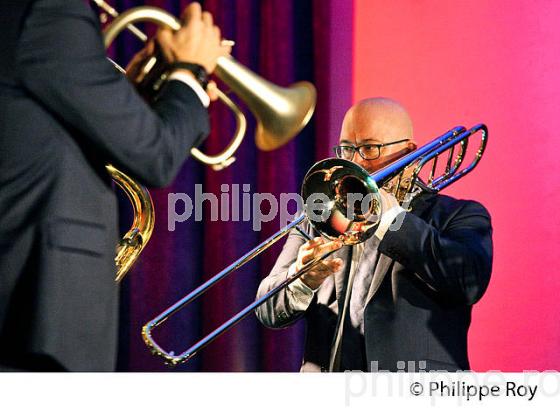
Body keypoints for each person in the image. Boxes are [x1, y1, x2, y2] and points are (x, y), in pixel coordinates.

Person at [0, 0, 230, 371]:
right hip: (36, 312)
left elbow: (34, 133)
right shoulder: (49, 10)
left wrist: (125, 100)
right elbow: (156, 157)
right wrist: (191, 74)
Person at [256, 98, 493, 372]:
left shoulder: (460, 214)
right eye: (346, 148)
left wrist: (392, 221)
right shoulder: (319, 218)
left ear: (409, 152)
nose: (355, 161)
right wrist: (302, 280)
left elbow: (469, 281)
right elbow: (267, 309)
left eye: (369, 148)